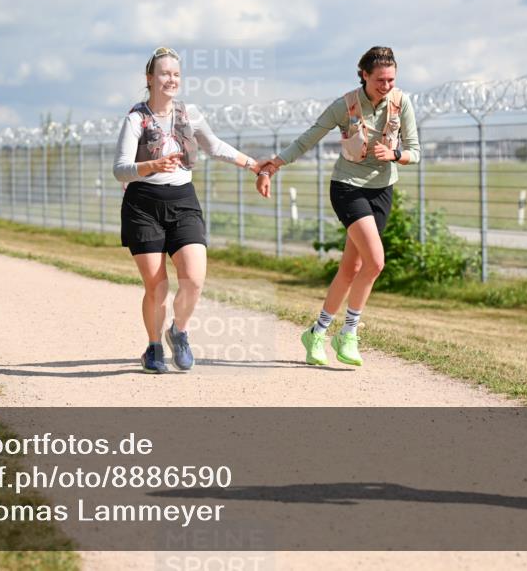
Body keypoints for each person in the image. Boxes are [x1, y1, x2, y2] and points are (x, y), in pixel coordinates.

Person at [258, 46, 420, 367]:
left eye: (391, 80)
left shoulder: (401, 103)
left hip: (382, 190)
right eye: (380, 80)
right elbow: (308, 138)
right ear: (364, 75)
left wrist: (396, 154)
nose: (386, 85)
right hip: (347, 188)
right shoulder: (344, 106)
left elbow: (415, 151)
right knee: (376, 262)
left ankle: (316, 333)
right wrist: (274, 164)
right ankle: (348, 332)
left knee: (352, 268)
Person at [114, 47, 264, 374]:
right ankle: (153, 347)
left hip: (183, 201)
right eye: (164, 74)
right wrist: (151, 165)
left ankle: (178, 332)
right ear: (150, 78)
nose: (171, 79)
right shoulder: (136, 118)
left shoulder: (190, 113)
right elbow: (120, 169)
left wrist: (253, 165)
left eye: (176, 74)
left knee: (194, 279)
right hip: (143, 204)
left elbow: (215, 146)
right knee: (157, 286)